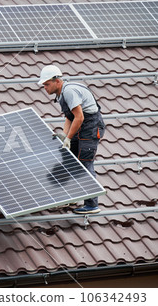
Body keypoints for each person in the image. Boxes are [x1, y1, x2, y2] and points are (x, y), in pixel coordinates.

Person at [38, 65, 106, 214]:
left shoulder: (69, 91)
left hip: (90, 128)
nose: (45, 88)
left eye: (47, 84)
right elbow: (70, 117)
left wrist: (69, 137)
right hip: (80, 126)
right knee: (69, 158)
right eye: (44, 85)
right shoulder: (60, 94)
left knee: (85, 165)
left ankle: (92, 204)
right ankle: (73, 196)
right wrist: (64, 135)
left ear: (57, 81)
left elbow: (80, 117)